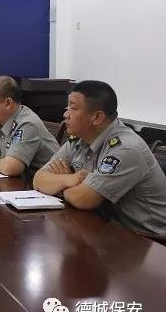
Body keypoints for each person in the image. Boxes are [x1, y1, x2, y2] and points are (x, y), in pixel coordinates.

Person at [34, 80, 166, 237]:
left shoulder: (125, 148)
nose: (65, 114)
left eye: (73, 108)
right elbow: (39, 179)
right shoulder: (79, 139)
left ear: (96, 117)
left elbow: (83, 199)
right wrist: (71, 179)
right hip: (109, 228)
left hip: (149, 240)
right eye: (67, 107)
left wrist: (60, 184)